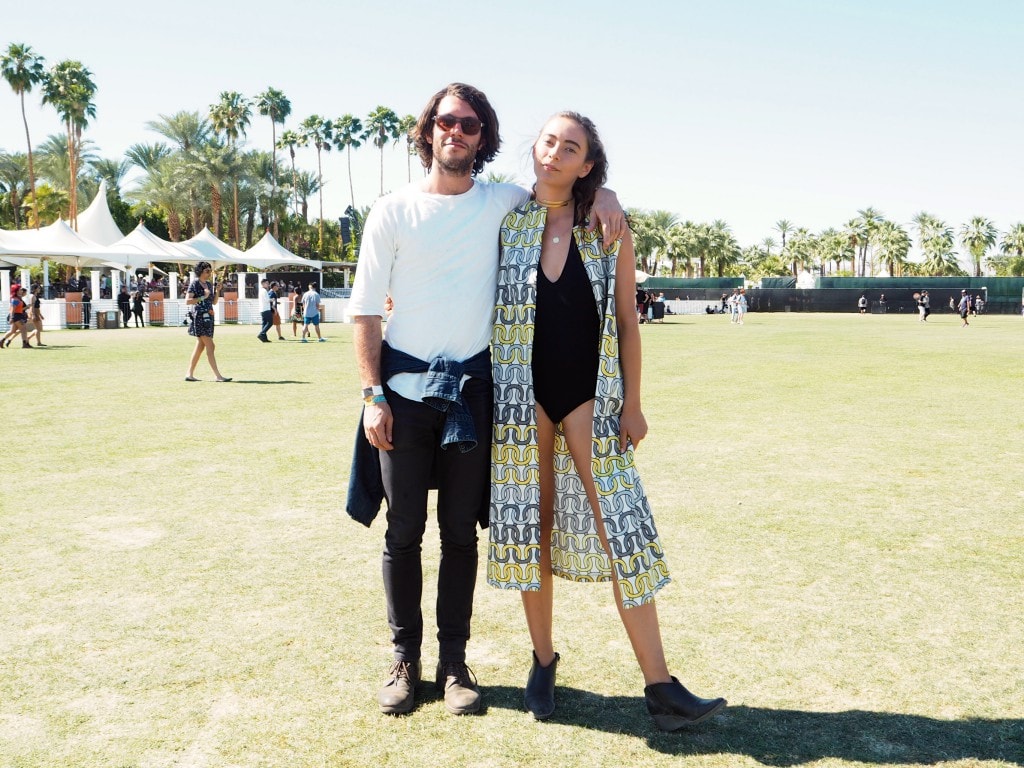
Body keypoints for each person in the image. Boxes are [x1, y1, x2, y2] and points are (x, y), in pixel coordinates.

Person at [346, 83, 624, 719]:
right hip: (403, 397)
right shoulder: (392, 210)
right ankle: (403, 660)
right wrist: (371, 395)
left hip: (475, 398)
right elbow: (364, 311)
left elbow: (562, 190)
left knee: (461, 539)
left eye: (470, 125)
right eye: (446, 121)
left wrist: (602, 191)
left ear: (483, 138)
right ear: (429, 131)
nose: (457, 132)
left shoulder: (502, 202)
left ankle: (454, 665)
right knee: (404, 533)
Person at [489, 111, 725, 730]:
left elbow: (626, 320)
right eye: (549, 142)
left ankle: (661, 685)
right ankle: (542, 663)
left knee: (621, 527)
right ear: (534, 148)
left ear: (587, 164)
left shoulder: (608, 225)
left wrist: (635, 402)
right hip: (521, 398)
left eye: (571, 148)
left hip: (592, 395)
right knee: (530, 527)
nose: (556, 154)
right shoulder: (506, 219)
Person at [184, 261, 231, 382]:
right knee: (211, 345)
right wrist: (203, 297)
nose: (209, 273)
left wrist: (217, 291)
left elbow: (214, 302)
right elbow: (188, 301)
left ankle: (189, 374)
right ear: (200, 272)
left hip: (209, 317)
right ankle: (217, 376)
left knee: (200, 346)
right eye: (207, 271)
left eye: (210, 270)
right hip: (199, 317)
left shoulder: (209, 285)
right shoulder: (195, 283)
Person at [257, 278, 273, 342]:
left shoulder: (261, 290)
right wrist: (272, 300)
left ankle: (264, 338)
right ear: (263, 284)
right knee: (270, 322)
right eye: (267, 283)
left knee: (264, 323)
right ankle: (261, 334)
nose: (268, 285)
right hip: (266, 309)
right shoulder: (264, 291)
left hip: (262, 309)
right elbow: (267, 300)